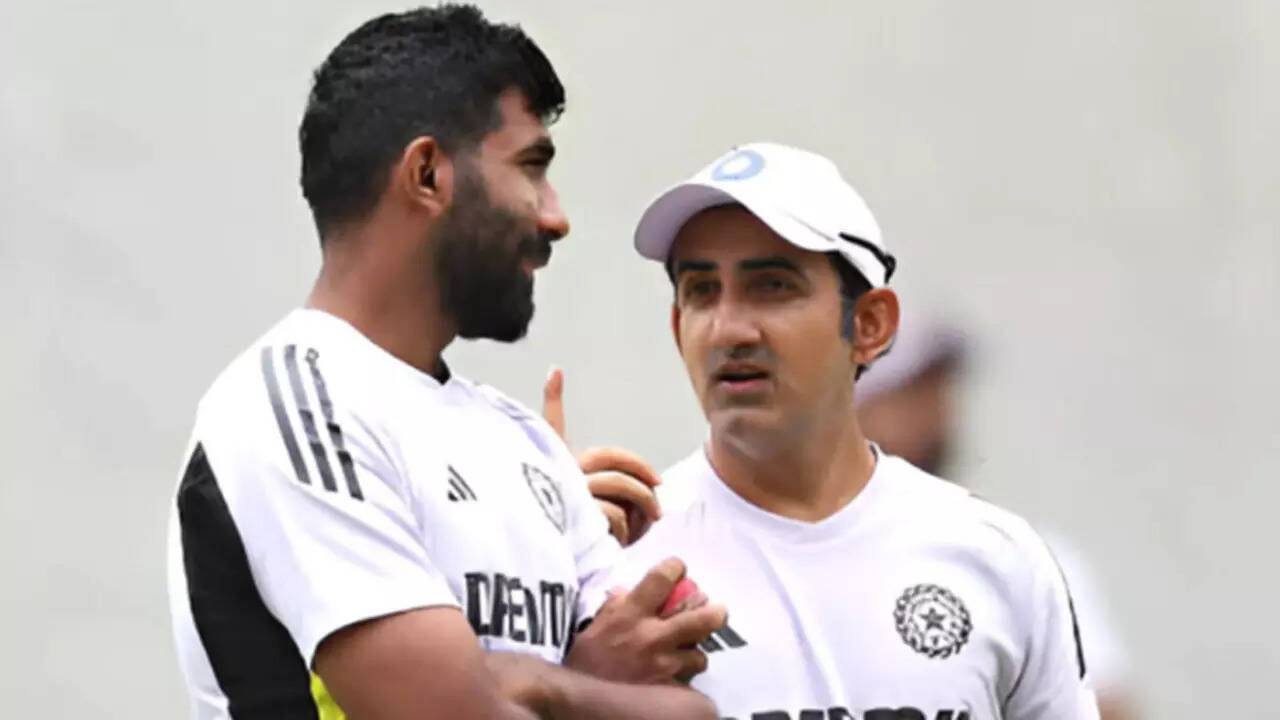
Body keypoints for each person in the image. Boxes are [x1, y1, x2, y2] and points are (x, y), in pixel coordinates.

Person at [165, 6, 723, 720]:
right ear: (427, 174)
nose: (555, 216)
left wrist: (530, 680)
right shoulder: (291, 409)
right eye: (531, 168)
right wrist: (559, 681)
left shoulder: (525, 443)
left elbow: (688, 711)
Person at [594, 142, 1101, 719]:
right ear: (676, 325)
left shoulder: (996, 556)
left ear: (869, 326)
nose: (729, 329)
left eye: (772, 287)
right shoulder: (617, 564)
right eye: (702, 292)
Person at [857, 317, 1140, 720]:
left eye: (937, 391)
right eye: (907, 395)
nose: (935, 415)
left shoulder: (1027, 560)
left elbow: (1107, 709)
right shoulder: (787, 561)